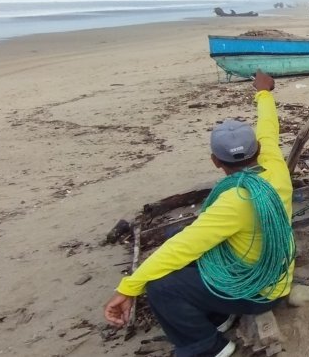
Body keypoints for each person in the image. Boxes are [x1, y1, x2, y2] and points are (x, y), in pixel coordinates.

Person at [104, 70, 293, 357]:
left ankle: (209, 347)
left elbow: (180, 250)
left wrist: (129, 288)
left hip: (261, 293)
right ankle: (220, 316)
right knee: (176, 235)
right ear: (258, 149)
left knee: (161, 287)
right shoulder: (274, 164)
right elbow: (268, 126)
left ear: (216, 161)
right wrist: (264, 92)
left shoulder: (235, 201)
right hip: (277, 274)